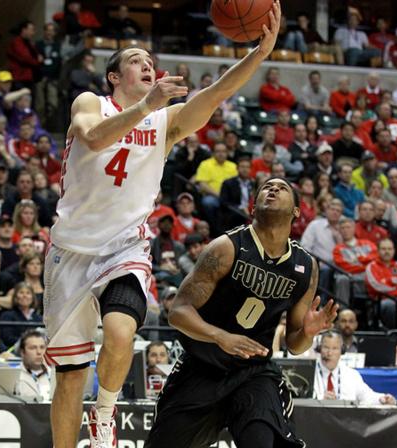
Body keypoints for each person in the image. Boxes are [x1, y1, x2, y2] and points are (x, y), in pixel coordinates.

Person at [46, 4, 282, 446]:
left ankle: (105, 415)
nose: (147, 66)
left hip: (124, 248)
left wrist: (259, 52)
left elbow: (214, 94)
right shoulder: (91, 103)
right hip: (69, 252)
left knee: (120, 331)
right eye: (137, 61)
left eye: (151, 64)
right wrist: (148, 105)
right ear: (114, 77)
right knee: (71, 375)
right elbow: (95, 138)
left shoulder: (164, 122)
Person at [145, 176, 338, 448]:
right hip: (204, 366)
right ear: (252, 208)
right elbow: (178, 311)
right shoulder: (226, 248)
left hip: (254, 372)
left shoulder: (306, 266)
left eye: (281, 188)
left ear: (296, 211)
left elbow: (295, 345)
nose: (272, 189)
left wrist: (307, 332)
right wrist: (220, 336)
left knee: (263, 440)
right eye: (266, 187)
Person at [314, 331, 396, 404]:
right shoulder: (310, 371)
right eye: (326, 347)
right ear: (319, 349)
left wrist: (382, 399)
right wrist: (320, 401)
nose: (330, 353)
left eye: (335, 348)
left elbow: (367, 396)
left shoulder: (351, 375)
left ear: (342, 351)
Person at [332, 217, 377, 307]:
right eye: (343, 228)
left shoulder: (368, 244)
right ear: (339, 231)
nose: (345, 230)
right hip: (352, 280)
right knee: (341, 278)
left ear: (354, 228)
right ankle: (343, 313)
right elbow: (345, 267)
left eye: (348, 227)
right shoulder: (338, 249)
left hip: (369, 279)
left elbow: (375, 259)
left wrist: (358, 260)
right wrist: (365, 263)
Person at [365, 238, 397, 328]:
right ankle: (392, 336)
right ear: (378, 251)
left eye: (390, 249)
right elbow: (377, 287)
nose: (387, 252)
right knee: (390, 305)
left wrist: (389, 281)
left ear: (394, 250)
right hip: (380, 301)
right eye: (384, 249)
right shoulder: (372, 266)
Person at [0, 282, 43, 348]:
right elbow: (7, 338)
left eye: (28, 293)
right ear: (15, 297)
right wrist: (28, 343)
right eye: (21, 292)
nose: (25, 296)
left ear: (32, 297)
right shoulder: (7, 316)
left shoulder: (40, 318)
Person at [17, 329, 51, 401]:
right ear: (22, 352)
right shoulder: (14, 376)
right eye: (33, 348)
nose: (39, 352)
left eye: (42, 347)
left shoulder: (54, 375)